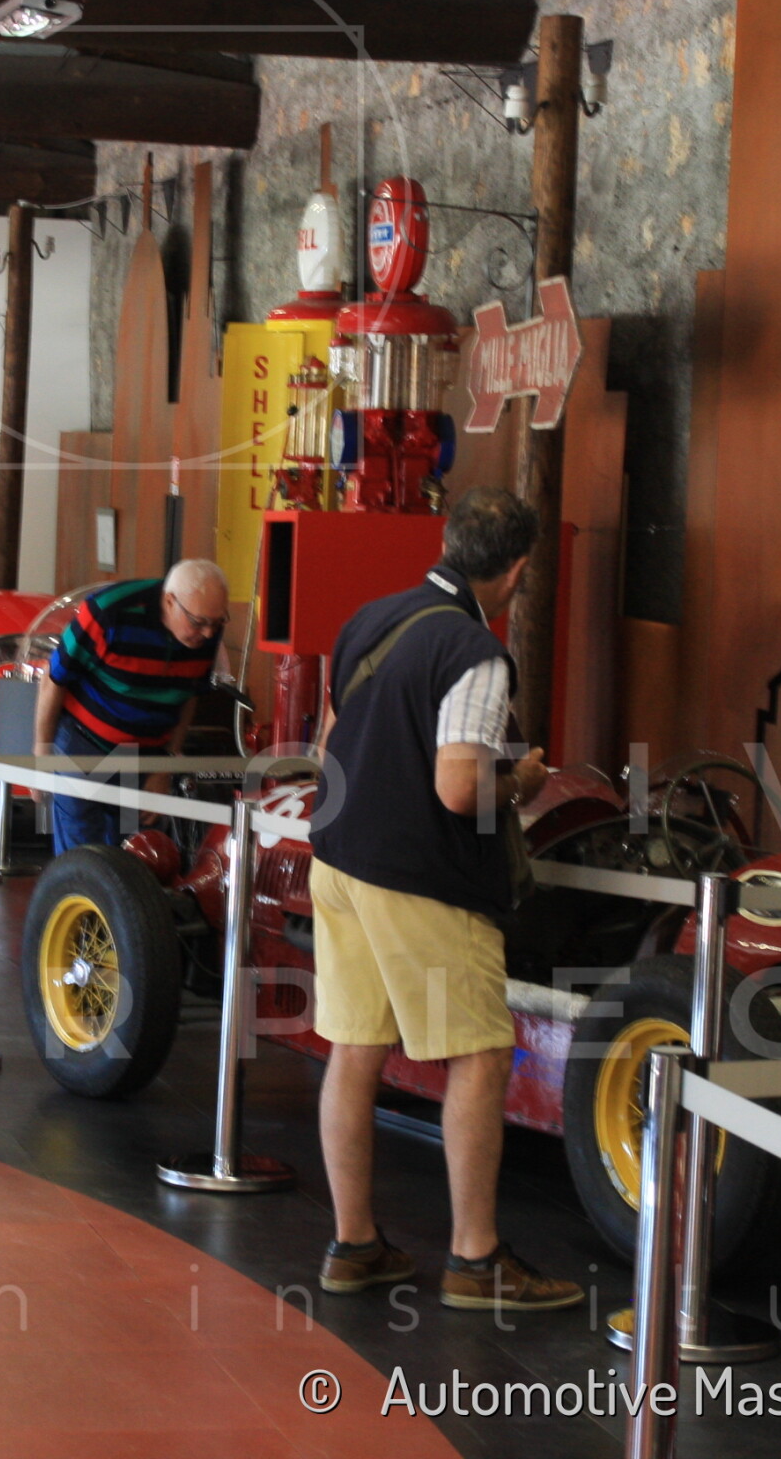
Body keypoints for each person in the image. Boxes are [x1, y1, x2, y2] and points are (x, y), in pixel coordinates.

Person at [306, 487, 579, 1316]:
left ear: (449, 542)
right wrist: (523, 780)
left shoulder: (369, 619)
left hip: (338, 864)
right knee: (482, 1056)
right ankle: (476, 1258)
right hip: (421, 879)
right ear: (518, 571)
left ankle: (354, 1245)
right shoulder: (475, 653)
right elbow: (459, 789)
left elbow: (327, 745)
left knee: (355, 1049)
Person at [29, 559, 227, 854]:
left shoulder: (206, 628)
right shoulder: (108, 611)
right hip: (83, 744)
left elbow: (188, 695)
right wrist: (42, 757)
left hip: (142, 755)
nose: (209, 634)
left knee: (131, 853)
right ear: (169, 602)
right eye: (199, 623)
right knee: (83, 855)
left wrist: (164, 767)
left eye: (217, 622)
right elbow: (53, 679)